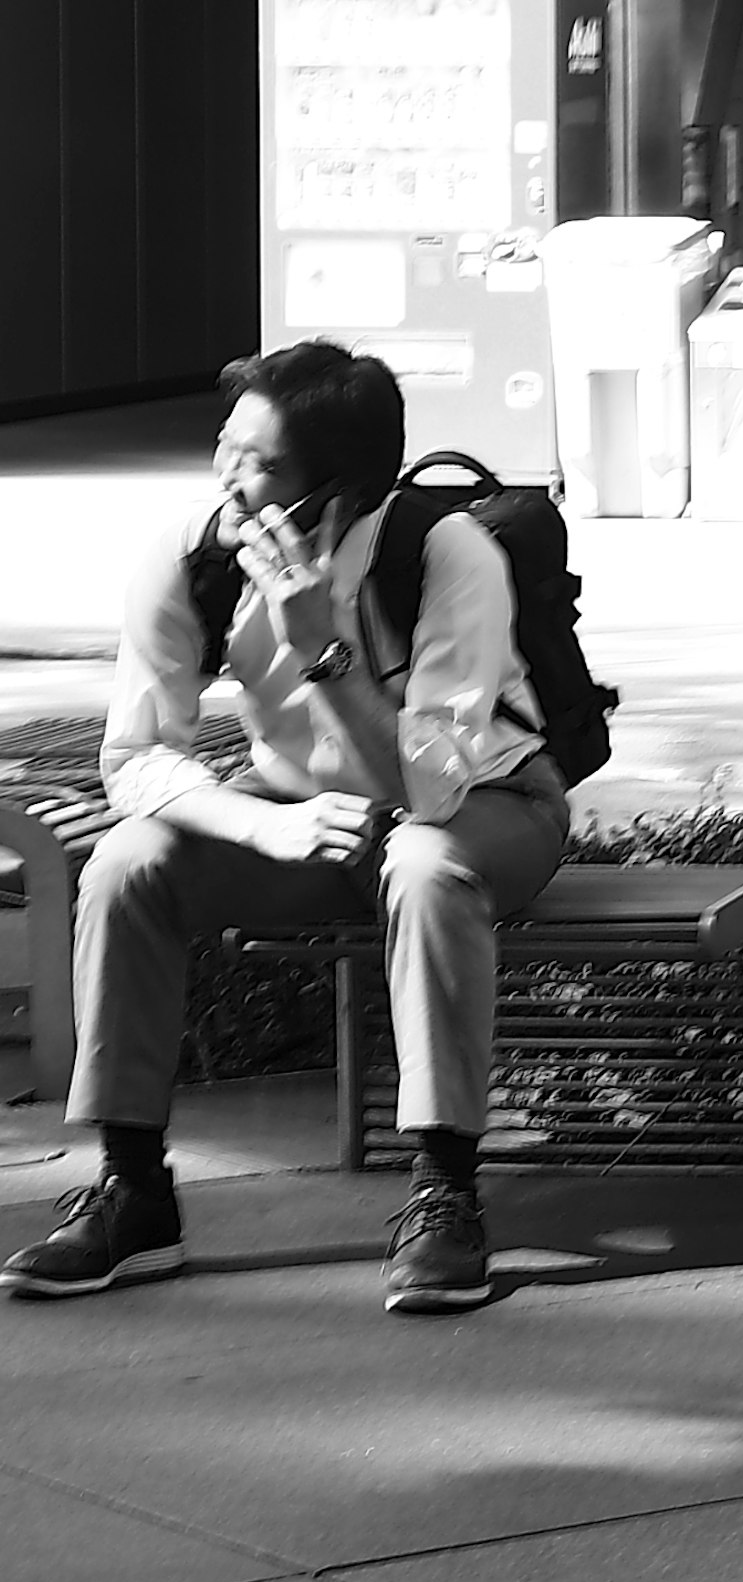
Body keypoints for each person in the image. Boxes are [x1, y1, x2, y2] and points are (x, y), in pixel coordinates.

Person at [7, 340, 570, 1318]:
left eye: (262, 463)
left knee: (427, 863)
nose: (231, 478)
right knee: (130, 861)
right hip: (305, 816)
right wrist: (265, 828)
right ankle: (133, 1190)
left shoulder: (445, 552)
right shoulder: (190, 554)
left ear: (338, 487)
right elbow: (135, 756)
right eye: (226, 447)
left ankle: (444, 1191)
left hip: (488, 809)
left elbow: (429, 789)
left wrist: (324, 647)